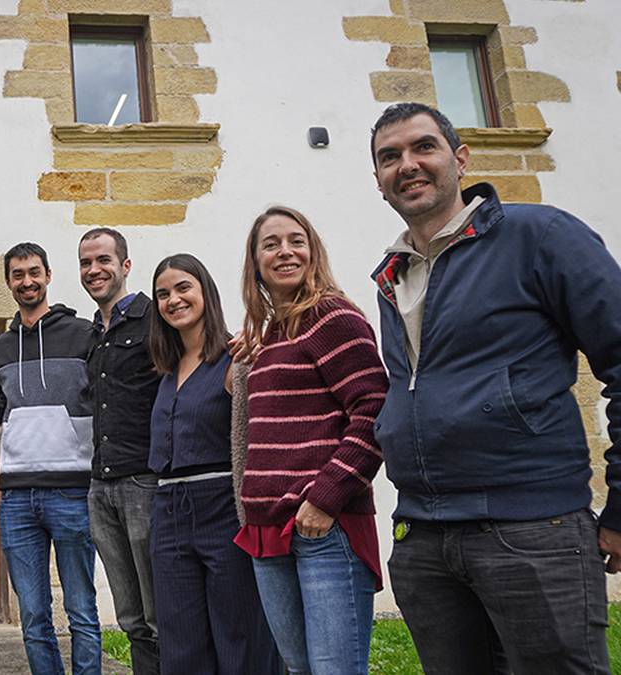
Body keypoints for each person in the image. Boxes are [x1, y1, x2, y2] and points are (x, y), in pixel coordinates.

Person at [370, 102, 621, 674]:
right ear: (378, 179)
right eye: (390, 157)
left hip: (533, 528)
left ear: (460, 159)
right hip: (425, 537)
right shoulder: (392, 273)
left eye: (423, 147)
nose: (407, 164)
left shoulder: (542, 235)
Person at [231, 207, 387, 674]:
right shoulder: (273, 334)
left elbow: (375, 408)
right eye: (271, 244)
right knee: (299, 670)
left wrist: (325, 499)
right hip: (266, 530)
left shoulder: (330, 316)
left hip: (323, 527)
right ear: (255, 261)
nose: (285, 251)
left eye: (295, 241)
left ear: (312, 250)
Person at [147, 254, 281, 674]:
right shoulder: (166, 372)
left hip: (222, 507)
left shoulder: (235, 359)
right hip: (167, 510)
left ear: (205, 290)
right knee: (180, 639)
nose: (174, 299)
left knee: (239, 633)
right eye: (163, 294)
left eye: (183, 287)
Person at [0, 243, 101, 675]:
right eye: (17, 274)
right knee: (33, 617)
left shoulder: (84, 334)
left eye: (34, 272)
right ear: (9, 282)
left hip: (72, 490)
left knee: (82, 612)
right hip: (16, 497)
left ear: (49, 275)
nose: (27, 281)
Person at [77, 228, 161, 674]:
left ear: (125, 266)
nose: (95, 270)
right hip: (101, 487)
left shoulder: (155, 317)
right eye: (87, 263)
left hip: (143, 482)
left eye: (103, 260)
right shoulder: (93, 334)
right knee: (130, 617)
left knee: (158, 613)